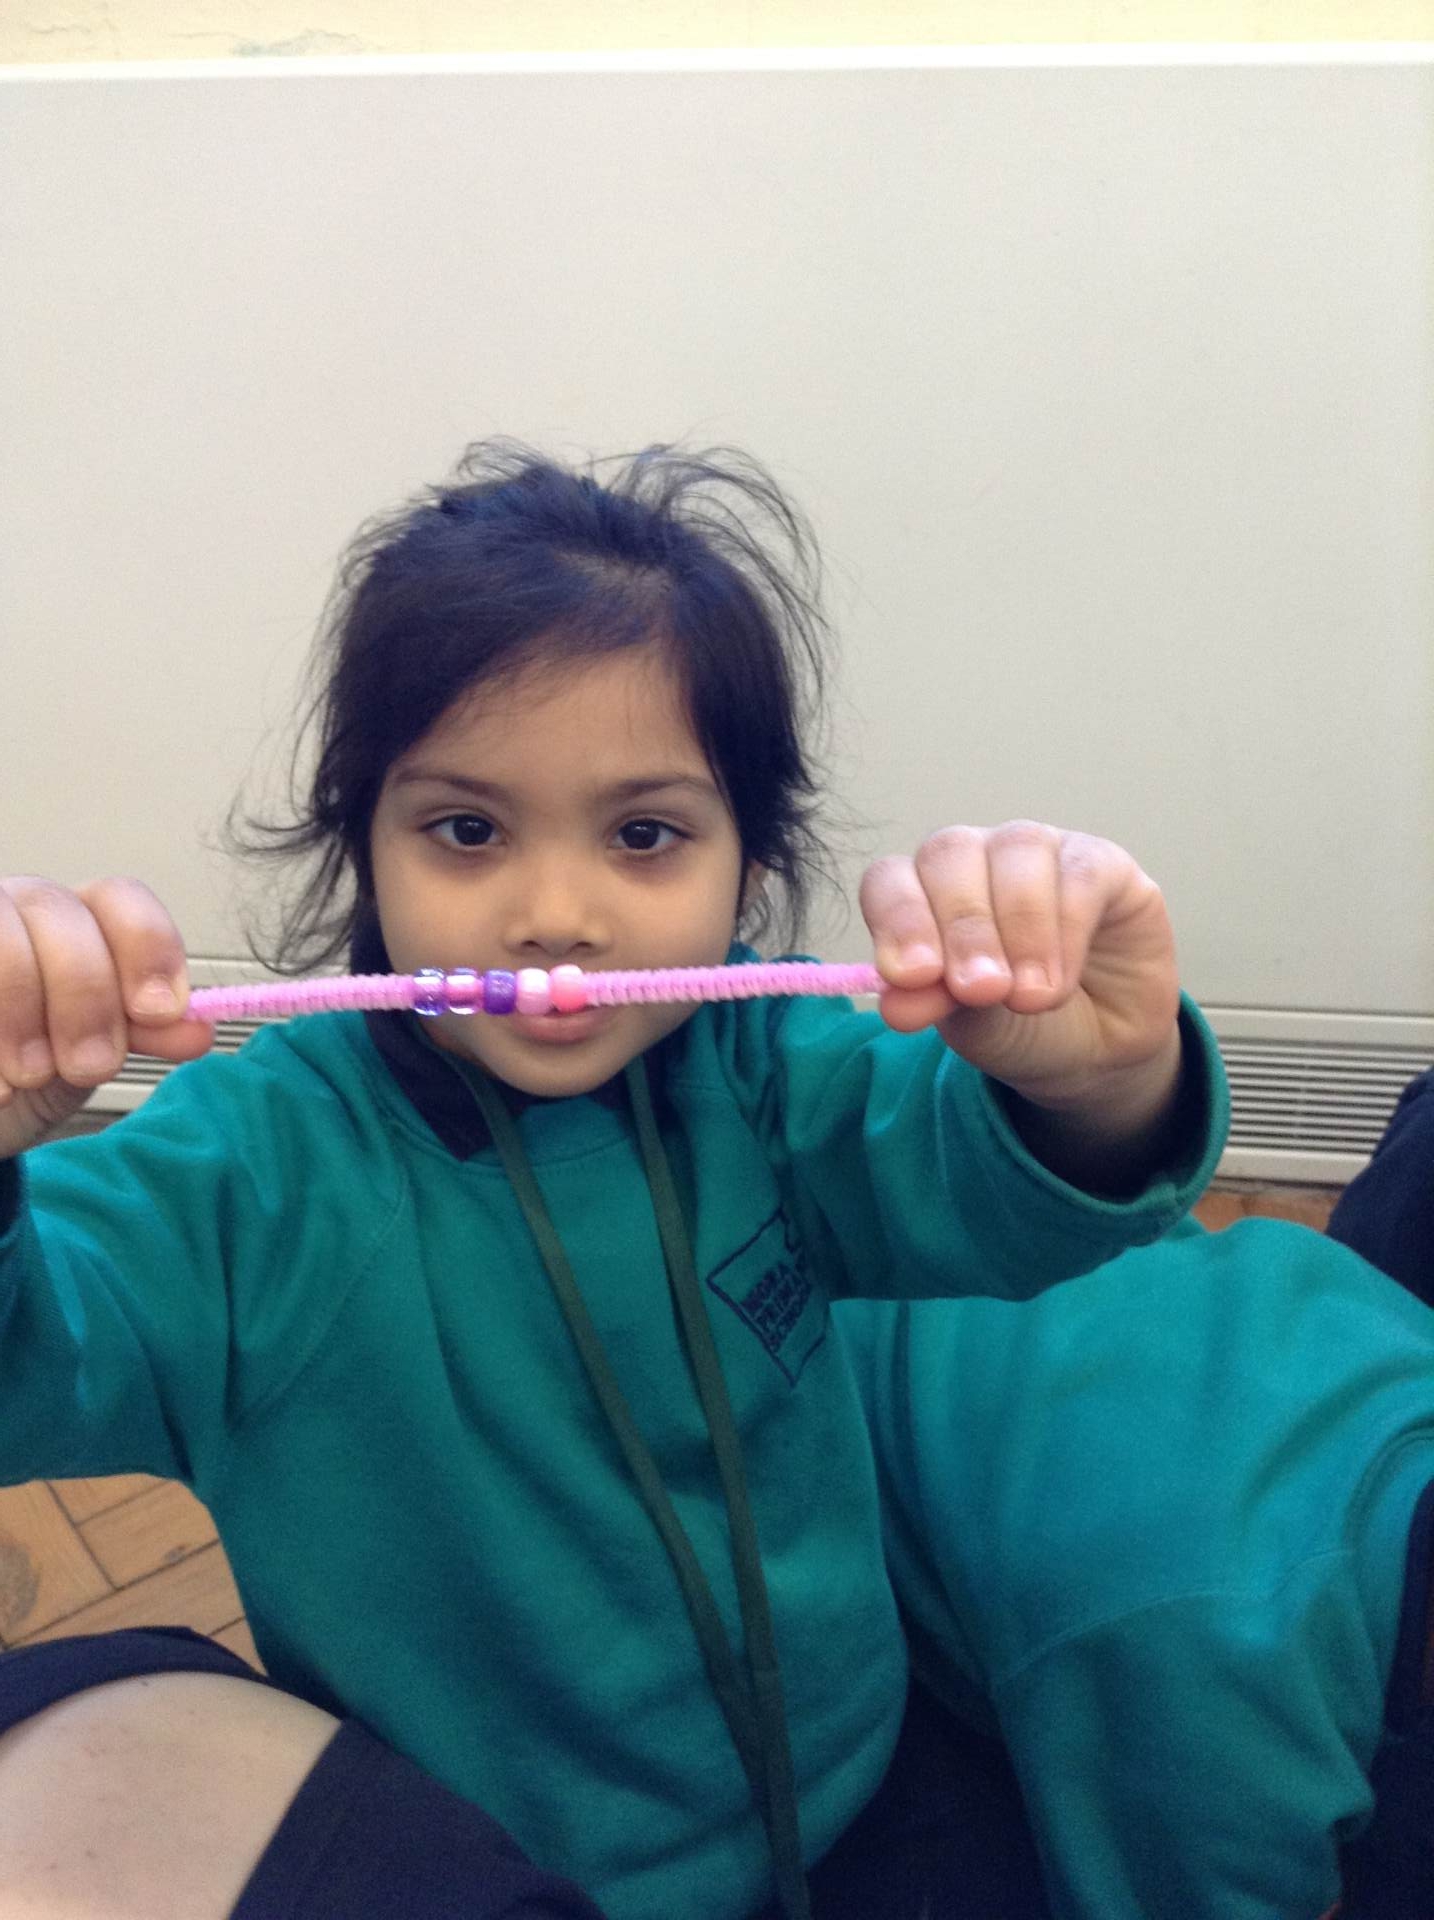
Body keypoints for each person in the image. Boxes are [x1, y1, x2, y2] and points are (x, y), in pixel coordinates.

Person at [0, 440, 1422, 1920]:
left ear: (747, 861)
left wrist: (1096, 1081)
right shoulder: (254, 1169)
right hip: (512, 1867)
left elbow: (997, 1197)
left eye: (644, 835)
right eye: (467, 830)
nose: (555, 915)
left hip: (866, 1775)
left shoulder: (765, 1069)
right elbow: (45, 1355)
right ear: (366, 839)